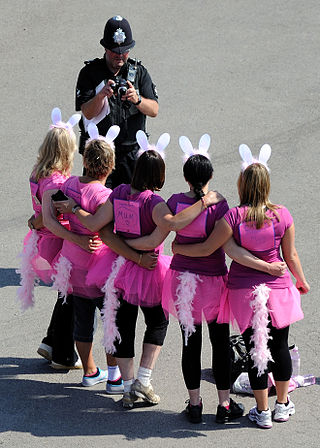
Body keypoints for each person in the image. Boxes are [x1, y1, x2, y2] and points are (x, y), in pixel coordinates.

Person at [122, 134, 287, 424]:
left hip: (183, 282)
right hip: (214, 282)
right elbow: (225, 245)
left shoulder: (174, 201)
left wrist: (127, 245)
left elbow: (156, 239)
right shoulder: (220, 205)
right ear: (209, 175)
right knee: (220, 342)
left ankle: (195, 404)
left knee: (190, 342)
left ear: (186, 178)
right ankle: (224, 404)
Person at [54, 131, 222, 409]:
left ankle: (129, 388)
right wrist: (204, 202)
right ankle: (142, 381)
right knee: (158, 321)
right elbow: (167, 230)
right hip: (147, 269)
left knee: (124, 325)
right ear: (159, 174)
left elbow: (97, 225)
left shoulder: (119, 192)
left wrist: (77, 211)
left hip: (118, 266)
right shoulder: (154, 203)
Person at [172, 143, 309, 429]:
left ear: (242, 184)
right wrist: (300, 280)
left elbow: (219, 249)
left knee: (254, 348)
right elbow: (291, 255)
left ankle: (262, 410)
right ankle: (281, 405)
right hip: (280, 289)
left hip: (242, 292)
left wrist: (178, 249)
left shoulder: (233, 217)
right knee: (279, 346)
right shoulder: (283, 214)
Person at [17, 107, 95, 369]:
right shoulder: (57, 181)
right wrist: (78, 239)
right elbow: (51, 218)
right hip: (55, 243)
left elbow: (41, 215)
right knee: (72, 294)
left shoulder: (38, 172)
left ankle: (50, 342)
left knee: (66, 292)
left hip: (40, 241)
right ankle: (62, 355)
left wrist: (35, 220)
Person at [75, 15, 158, 188]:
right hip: (100, 155)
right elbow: (87, 112)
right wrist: (100, 96)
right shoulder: (90, 73)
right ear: (105, 48)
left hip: (131, 156)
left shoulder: (139, 72)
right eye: (115, 51)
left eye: (124, 51)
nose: (120, 56)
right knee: (97, 208)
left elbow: (154, 110)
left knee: (134, 210)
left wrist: (137, 99)